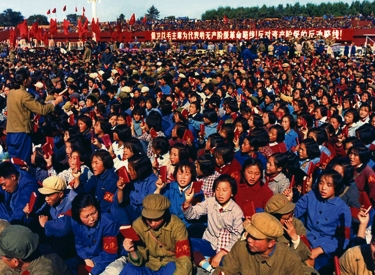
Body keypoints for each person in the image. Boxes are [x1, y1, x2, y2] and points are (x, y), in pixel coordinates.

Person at [119, 194, 192, 275]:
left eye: (157, 218)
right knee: (129, 269)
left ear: (164, 214)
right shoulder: (138, 224)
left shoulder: (177, 225)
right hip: (149, 266)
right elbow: (139, 261)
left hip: (170, 265)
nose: (152, 223)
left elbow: (184, 258)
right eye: (148, 218)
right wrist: (132, 251)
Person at [212, 212, 304, 275]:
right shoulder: (240, 249)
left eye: (255, 238)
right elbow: (226, 270)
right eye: (249, 235)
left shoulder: (290, 259)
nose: (249, 240)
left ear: (271, 243)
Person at [6, 68, 63, 164]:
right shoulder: (24, 95)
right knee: (22, 163)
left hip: (11, 132)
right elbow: (42, 110)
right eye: (29, 78)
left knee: (14, 162)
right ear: (24, 81)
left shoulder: (11, 93)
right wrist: (55, 102)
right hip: (21, 133)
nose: (31, 80)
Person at [0, 224, 71, 275]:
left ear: (15, 261)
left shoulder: (45, 269)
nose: (1, 259)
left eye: (1, 257)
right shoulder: (29, 251)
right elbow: (12, 270)